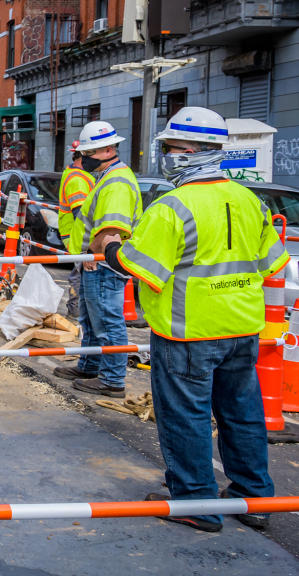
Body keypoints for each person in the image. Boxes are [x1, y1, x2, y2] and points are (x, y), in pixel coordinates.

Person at [101, 107, 288, 532]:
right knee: (242, 414)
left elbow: (139, 267)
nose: (164, 155)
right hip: (241, 330)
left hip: (187, 333)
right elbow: (269, 263)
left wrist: (112, 245)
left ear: (187, 152)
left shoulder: (172, 207)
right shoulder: (249, 201)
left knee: (185, 415)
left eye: (168, 148)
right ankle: (253, 497)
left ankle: (194, 500)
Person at [55, 121, 141, 399]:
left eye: (89, 152)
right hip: (96, 261)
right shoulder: (108, 177)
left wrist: (92, 252)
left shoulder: (116, 182)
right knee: (91, 320)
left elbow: (111, 228)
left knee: (107, 320)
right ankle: (89, 365)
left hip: (103, 263)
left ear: (106, 150)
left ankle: (112, 379)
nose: (84, 158)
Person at [57, 140, 94, 320]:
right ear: (84, 156)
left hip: (76, 233)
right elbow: (81, 213)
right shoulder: (77, 179)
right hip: (77, 233)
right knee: (80, 271)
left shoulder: (79, 175)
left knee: (81, 271)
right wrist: (89, 244)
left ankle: (78, 309)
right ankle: (75, 309)